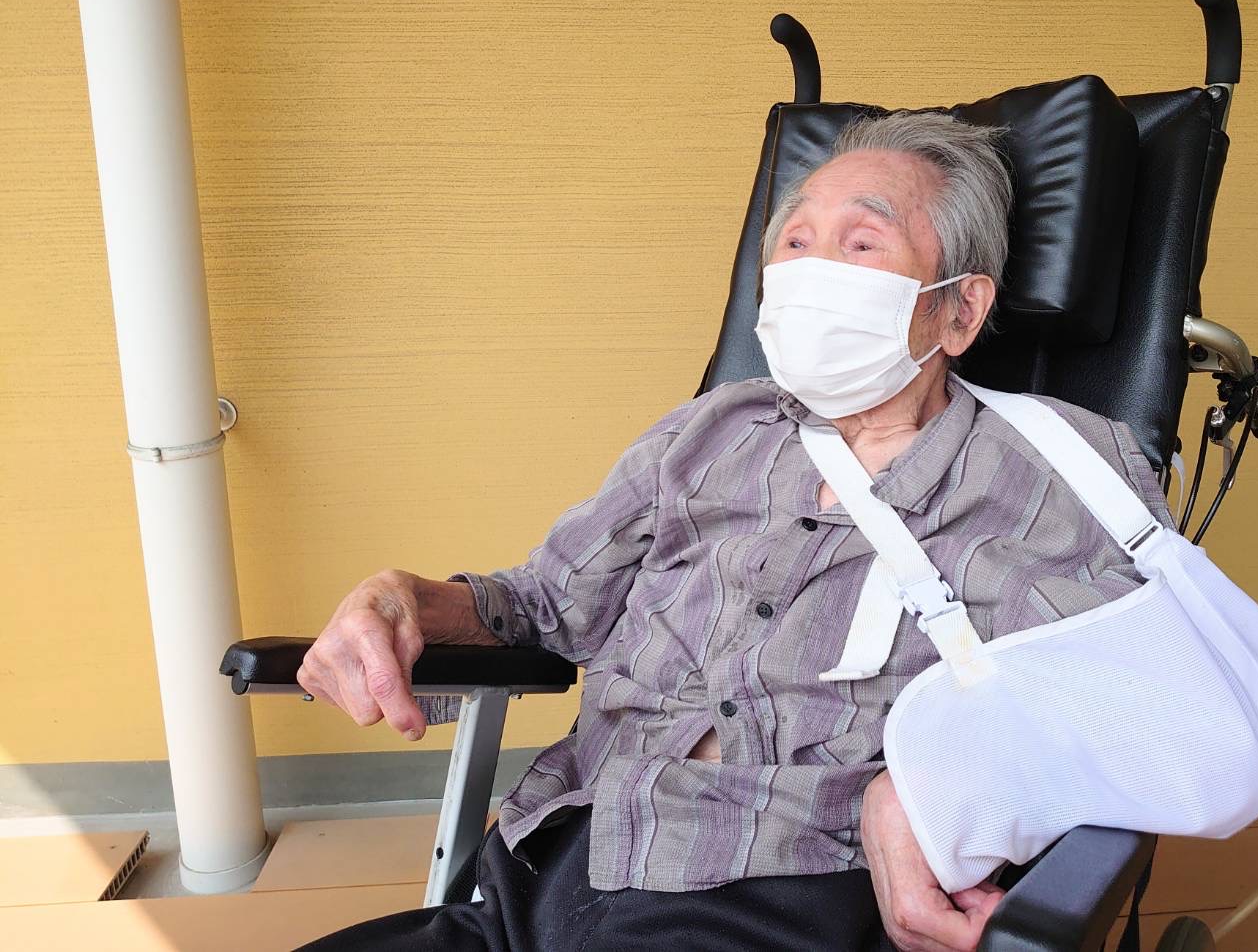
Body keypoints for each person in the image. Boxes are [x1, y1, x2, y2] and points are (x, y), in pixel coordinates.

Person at [296, 112, 1174, 952]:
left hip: (795, 888)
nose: (811, 269)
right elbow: (540, 606)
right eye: (794, 241)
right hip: (557, 860)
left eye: (860, 244)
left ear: (959, 311)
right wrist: (403, 599)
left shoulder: (1063, 466)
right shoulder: (708, 430)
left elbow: (1148, 703)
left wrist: (923, 791)